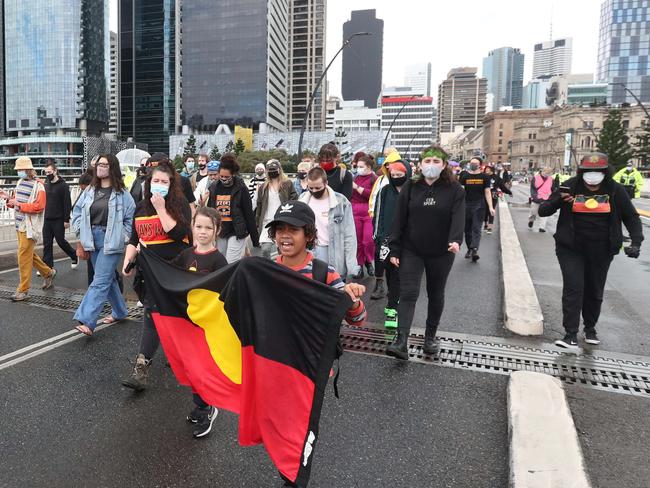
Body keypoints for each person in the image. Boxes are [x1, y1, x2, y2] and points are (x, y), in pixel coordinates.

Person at [539, 153, 643, 349]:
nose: (592, 176)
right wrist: (559, 201)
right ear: (582, 172)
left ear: (605, 172)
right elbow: (543, 210)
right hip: (571, 248)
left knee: (594, 289)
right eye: (588, 171)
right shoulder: (570, 186)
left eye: (598, 172)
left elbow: (631, 217)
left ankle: (590, 328)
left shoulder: (614, 190)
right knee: (573, 287)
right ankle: (570, 333)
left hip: (602, 249)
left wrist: (636, 242)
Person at [386, 146, 465, 360]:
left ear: (444, 165)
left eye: (436, 161)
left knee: (435, 293)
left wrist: (456, 240)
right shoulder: (411, 187)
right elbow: (399, 218)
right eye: (427, 161)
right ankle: (401, 341)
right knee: (408, 293)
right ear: (420, 165)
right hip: (412, 249)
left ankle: (430, 338)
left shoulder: (455, 189)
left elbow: (458, 217)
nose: (431, 165)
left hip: (441, 252)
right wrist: (394, 247)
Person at [122, 159, 193, 390]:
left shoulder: (179, 203)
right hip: (150, 272)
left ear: (171, 184)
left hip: (175, 271)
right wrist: (128, 259)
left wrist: (162, 208)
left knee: (180, 318)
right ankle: (140, 369)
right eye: (156, 180)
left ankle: (188, 358)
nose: (160, 184)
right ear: (149, 182)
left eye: (164, 181)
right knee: (152, 317)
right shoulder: (141, 207)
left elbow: (180, 233)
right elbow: (135, 238)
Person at [172, 206, 227, 438]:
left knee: (202, 369)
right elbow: (168, 275)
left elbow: (225, 291)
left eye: (208, 228)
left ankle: (208, 407)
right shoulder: (186, 255)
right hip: (188, 324)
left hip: (207, 327)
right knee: (190, 368)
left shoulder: (218, 260)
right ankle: (200, 404)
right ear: (192, 227)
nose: (202, 232)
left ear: (217, 230)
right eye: (198, 226)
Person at [71, 154, 136, 336]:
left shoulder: (123, 195)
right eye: (99, 164)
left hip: (111, 241)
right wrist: (80, 233)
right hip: (91, 239)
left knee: (99, 280)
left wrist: (121, 237)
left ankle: (87, 320)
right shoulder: (90, 190)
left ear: (112, 168)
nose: (100, 167)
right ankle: (121, 311)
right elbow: (76, 213)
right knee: (108, 279)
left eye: (105, 164)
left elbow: (130, 221)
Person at [0, 156, 56, 301]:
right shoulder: (20, 182)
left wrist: (18, 204)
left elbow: (39, 207)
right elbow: (15, 203)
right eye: (17, 170)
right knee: (28, 254)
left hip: (30, 226)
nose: (18, 172)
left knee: (23, 257)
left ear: (28, 169)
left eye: (20, 169)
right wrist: (8, 198)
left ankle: (23, 290)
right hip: (20, 225)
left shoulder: (39, 186)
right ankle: (48, 273)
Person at [299, 167, 359, 279]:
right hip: (311, 251)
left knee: (335, 290)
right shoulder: (302, 200)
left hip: (335, 254)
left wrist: (351, 265)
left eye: (318, 187)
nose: (314, 191)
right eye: (310, 188)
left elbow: (349, 235)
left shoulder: (341, 202)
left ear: (326, 183)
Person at [373, 159, 411, 328]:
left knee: (402, 275)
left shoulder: (413, 190)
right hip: (387, 240)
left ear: (407, 174)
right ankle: (392, 303)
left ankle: (396, 307)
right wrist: (378, 236)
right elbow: (378, 214)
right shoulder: (385, 191)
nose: (396, 177)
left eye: (399, 175)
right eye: (393, 175)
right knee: (391, 274)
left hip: (408, 240)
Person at [206, 154, 260, 263]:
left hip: (237, 230)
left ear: (233, 174)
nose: (223, 179)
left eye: (227, 177)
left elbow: (248, 214)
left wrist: (255, 239)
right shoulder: (214, 187)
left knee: (231, 262)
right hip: (220, 230)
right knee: (220, 261)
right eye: (221, 176)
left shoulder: (241, 188)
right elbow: (210, 212)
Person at [255, 159, 298, 259]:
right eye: (270, 169)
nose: (272, 171)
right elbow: (259, 205)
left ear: (279, 169)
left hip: (282, 221)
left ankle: (281, 269)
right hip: (266, 222)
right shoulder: (263, 187)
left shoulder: (287, 184)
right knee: (265, 249)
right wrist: (257, 223)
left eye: (274, 169)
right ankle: (267, 270)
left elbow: (294, 199)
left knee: (282, 250)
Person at [42, 162, 78, 270]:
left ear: (55, 171)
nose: (48, 174)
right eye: (46, 172)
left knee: (61, 241)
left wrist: (66, 219)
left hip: (59, 219)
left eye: (49, 172)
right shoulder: (46, 183)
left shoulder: (63, 185)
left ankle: (73, 255)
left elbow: (67, 203)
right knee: (47, 244)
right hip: (47, 218)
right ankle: (47, 268)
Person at [459, 156, 494, 262]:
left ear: (480, 165)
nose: (472, 164)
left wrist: (491, 207)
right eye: (471, 163)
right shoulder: (464, 176)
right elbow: (460, 192)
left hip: (479, 205)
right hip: (466, 205)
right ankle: (469, 248)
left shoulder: (485, 177)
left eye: (475, 163)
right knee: (467, 229)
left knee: (476, 228)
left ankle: (474, 249)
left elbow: (487, 192)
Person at [351, 154, 377, 279]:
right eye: (358, 166)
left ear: (369, 167)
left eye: (361, 166)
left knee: (368, 240)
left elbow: (372, 195)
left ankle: (369, 261)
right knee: (358, 242)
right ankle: (359, 266)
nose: (358, 169)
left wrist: (357, 188)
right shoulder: (356, 177)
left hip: (368, 213)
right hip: (355, 211)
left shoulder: (374, 178)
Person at [483, 164, 512, 234]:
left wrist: (509, 192)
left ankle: (490, 226)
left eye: (488, 169)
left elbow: (502, 187)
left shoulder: (497, 178)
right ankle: (485, 223)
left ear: (492, 170)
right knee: (485, 211)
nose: (486, 170)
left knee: (492, 210)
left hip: (493, 196)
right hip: (483, 196)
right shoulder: (483, 177)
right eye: (486, 169)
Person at [528, 167, 554, 233]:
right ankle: (531, 220)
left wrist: (552, 197)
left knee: (544, 213)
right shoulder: (536, 178)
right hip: (537, 198)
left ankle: (541, 227)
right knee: (533, 212)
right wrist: (535, 196)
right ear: (542, 171)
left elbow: (553, 189)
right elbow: (533, 189)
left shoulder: (551, 179)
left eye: (549, 173)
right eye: (546, 172)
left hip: (546, 199)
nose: (547, 174)